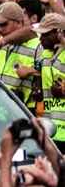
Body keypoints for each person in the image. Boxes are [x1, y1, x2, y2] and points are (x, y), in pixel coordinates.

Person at [0, 2, 41, 107]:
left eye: (4, 24)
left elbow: (50, 76)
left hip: (22, 115)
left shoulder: (38, 46)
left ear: (19, 22)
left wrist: (32, 71)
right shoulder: (2, 44)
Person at [33, 14, 65, 152]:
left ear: (58, 33)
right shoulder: (45, 54)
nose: (40, 39)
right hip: (50, 127)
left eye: (45, 34)